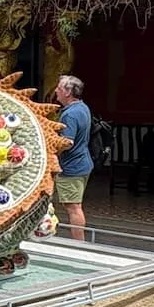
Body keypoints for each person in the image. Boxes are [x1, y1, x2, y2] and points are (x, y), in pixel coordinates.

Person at [52, 75, 93, 232]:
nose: (56, 90)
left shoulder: (70, 114)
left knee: (73, 208)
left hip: (71, 167)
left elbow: (67, 142)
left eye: (60, 88)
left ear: (68, 92)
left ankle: (78, 246)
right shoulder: (82, 108)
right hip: (82, 163)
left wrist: (51, 150)